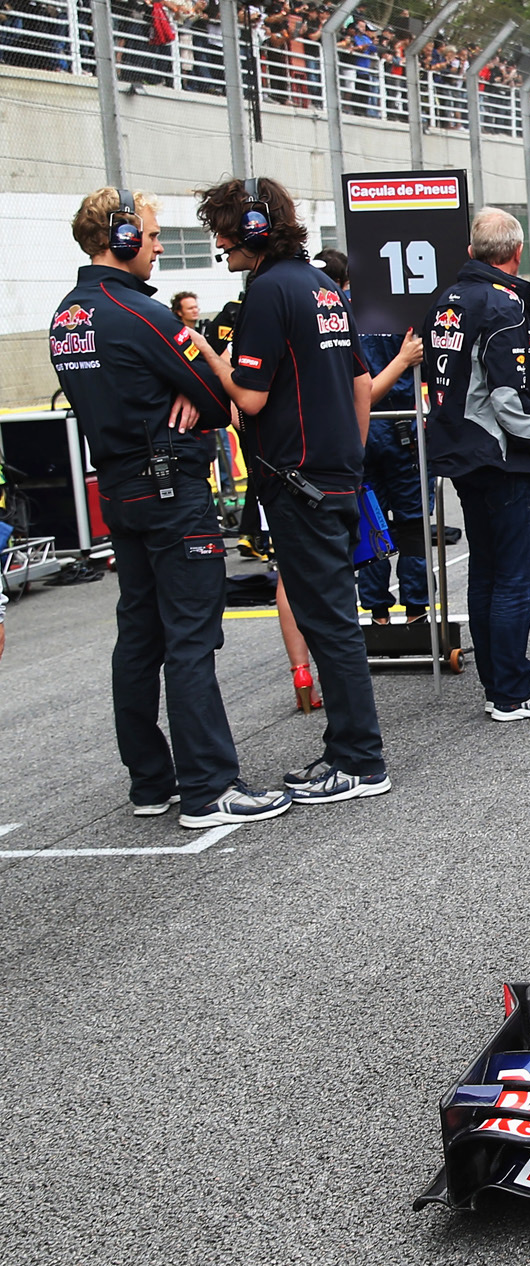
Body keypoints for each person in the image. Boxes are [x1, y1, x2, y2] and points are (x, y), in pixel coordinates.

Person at [50, 186, 291, 827]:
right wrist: (193, 395)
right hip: (171, 491)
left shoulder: (66, 315)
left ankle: (151, 782)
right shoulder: (142, 313)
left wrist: (188, 394)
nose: (158, 248)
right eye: (153, 236)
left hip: (120, 491)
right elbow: (222, 397)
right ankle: (210, 788)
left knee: (139, 636)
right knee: (189, 636)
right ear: (122, 238)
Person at [188, 175, 389, 805]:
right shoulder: (324, 286)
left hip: (297, 482)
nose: (220, 246)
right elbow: (361, 385)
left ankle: (359, 761)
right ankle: (348, 751)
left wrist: (207, 354)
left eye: (224, 232)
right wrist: (350, 463)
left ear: (252, 229)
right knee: (334, 620)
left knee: (328, 624)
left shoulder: (269, 290)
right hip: (334, 478)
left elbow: (248, 398)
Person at [426, 207, 530, 722]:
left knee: (486, 574)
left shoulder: (447, 299)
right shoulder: (504, 304)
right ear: (517, 253)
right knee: (516, 579)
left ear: (471, 252)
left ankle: (498, 687)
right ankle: (512, 690)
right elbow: (508, 397)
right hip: (504, 459)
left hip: (462, 455)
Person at [320, 246, 431, 630]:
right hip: (402, 427)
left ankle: (377, 614)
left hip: (358, 429)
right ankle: (416, 611)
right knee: (413, 523)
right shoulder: (398, 307)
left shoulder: (334, 315)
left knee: (368, 521)